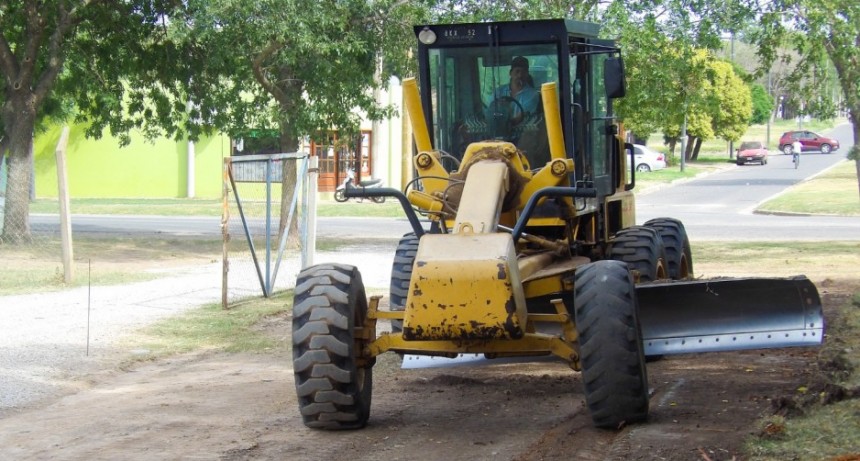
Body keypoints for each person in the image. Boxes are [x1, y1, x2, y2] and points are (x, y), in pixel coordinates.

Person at [489, 56, 541, 123]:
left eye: (523, 72)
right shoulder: (499, 91)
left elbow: (521, 117)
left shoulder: (532, 95)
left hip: (523, 131)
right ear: (510, 73)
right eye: (517, 71)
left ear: (527, 74)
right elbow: (490, 112)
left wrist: (504, 112)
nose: (520, 75)